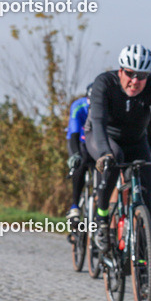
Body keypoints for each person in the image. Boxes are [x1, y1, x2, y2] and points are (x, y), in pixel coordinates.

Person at [85, 45, 151, 250]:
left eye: (142, 76)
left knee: (146, 192)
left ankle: (142, 252)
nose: (135, 81)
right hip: (102, 137)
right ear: (121, 70)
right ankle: (102, 219)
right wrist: (104, 153)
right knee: (115, 157)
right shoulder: (104, 83)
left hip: (135, 141)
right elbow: (98, 121)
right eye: (130, 74)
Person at [66, 84, 95, 221]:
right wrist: (75, 154)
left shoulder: (105, 106)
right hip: (78, 140)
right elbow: (74, 133)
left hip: (94, 142)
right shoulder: (78, 106)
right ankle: (75, 206)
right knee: (80, 163)